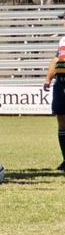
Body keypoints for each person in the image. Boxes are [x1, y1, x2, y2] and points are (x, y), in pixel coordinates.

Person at [42, 10, 65, 171]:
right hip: (61, 83)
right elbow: (57, 59)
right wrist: (48, 79)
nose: (62, 21)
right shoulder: (62, 40)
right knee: (61, 120)